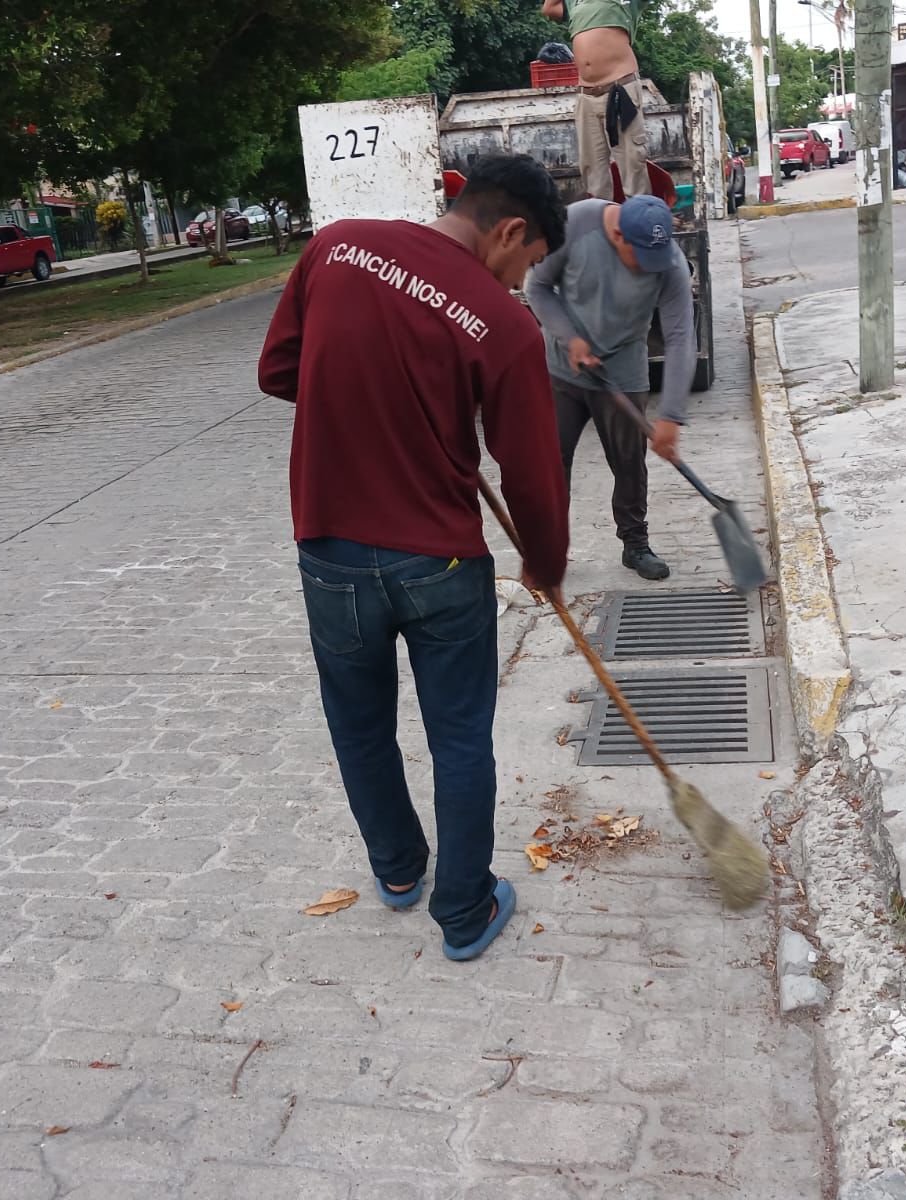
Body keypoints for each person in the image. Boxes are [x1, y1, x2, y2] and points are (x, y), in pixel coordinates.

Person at [256, 156, 570, 962]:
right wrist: (545, 562)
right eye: (529, 262)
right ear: (510, 231)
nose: (522, 281)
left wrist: (368, 400)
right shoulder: (504, 326)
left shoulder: (336, 246)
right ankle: (463, 909)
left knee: (357, 724)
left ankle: (398, 870)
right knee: (459, 737)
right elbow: (532, 472)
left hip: (329, 550)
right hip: (441, 565)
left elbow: (279, 371)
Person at [526, 193, 695, 582]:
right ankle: (549, 550)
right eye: (641, 258)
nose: (648, 269)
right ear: (618, 235)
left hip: (623, 370)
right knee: (551, 462)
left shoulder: (668, 263)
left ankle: (635, 544)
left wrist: (671, 415)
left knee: (629, 463)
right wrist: (569, 338)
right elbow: (538, 288)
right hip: (562, 369)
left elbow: (681, 338)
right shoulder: (575, 224)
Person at [540, 0, 647, 201]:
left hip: (620, 89)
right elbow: (549, 8)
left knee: (632, 162)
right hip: (586, 94)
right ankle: (600, 216)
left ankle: (639, 215)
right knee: (592, 169)